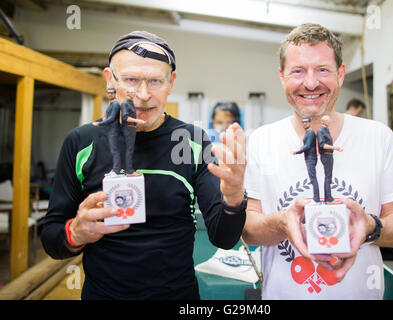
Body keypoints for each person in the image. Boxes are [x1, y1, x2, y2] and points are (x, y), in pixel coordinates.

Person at [41, 31, 247, 300]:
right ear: (109, 80)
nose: (143, 94)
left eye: (155, 81)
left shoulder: (191, 141)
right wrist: (75, 232)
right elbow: (51, 238)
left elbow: (223, 238)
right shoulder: (81, 142)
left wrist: (233, 199)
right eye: (130, 80)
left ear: (171, 82)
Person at [242, 23, 393, 299]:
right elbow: (249, 231)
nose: (310, 83)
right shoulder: (261, 140)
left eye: (322, 69)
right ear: (282, 76)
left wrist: (369, 226)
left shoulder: (378, 137)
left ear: (340, 74)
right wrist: (283, 223)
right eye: (298, 71)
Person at [292, 116, 320, 203]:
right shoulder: (308, 132)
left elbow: (307, 146)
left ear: (309, 122)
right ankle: (316, 198)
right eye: (303, 122)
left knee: (313, 178)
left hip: (311, 158)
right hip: (309, 157)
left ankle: (316, 198)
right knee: (312, 178)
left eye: (306, 122)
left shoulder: (310, 132)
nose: (304, 124)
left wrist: (297, 152)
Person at [317, 115, 343, 203]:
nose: (329, 122)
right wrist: (335, 148)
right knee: (327, 177)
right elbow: (322, 145)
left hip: (329, 155)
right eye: (327, 120)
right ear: (323, 121)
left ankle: (329, 197)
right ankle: (328, 198)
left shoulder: (326, 130)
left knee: (329, 177)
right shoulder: (321, 131)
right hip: (326, 155)